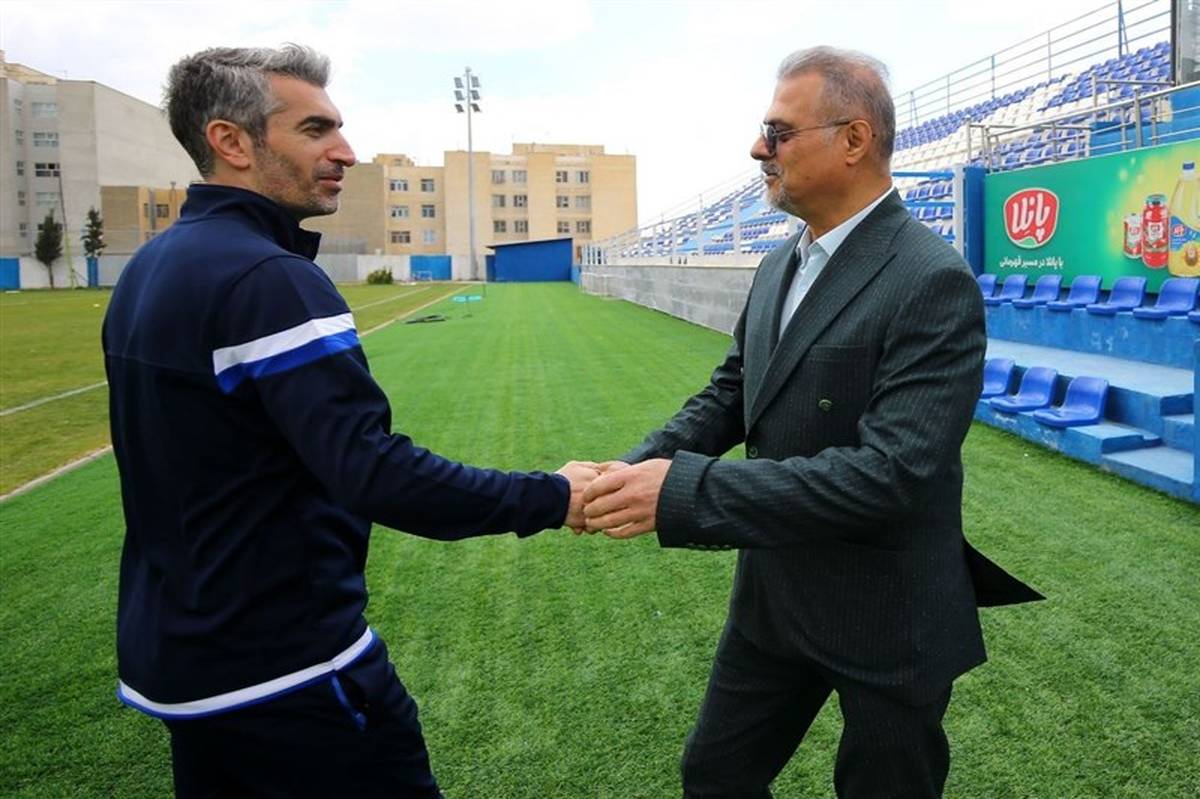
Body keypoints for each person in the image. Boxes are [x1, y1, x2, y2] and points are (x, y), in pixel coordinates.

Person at [103, 45, 597, 798]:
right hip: (289, 670)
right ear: (231, 142)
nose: (346, 151)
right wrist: (553, 496)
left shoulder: (151, 265)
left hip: (184, 667)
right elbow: (374, 471)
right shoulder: (269, 279)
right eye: (315, 129)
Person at [581, 46, 1042, 798]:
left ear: (854, 139)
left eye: (778, 131)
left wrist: (682, 491)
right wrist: (625, 471)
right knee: (715, 776)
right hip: (776, 596)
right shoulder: (777, 265)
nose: (757, 148)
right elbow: (731, 394)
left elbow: (889, 475)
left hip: (885, 608)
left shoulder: (931, 278)